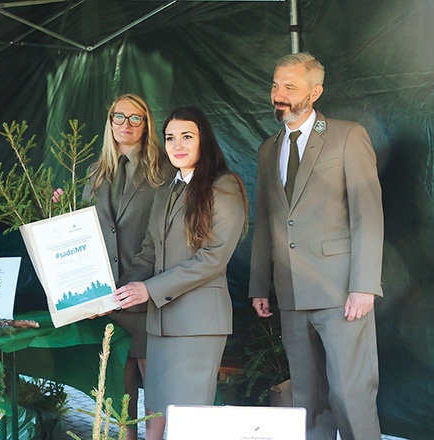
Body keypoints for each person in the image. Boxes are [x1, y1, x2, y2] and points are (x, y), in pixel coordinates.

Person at [249, 52, 383, 440]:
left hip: (342, 292)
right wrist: (259, 284)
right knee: (306, 399)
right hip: (290, 292)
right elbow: (267, 220)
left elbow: (367, 214)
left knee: (350, 394)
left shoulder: (347, 135)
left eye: (290, 87)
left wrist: (364, 285)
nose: (279, 94)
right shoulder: (266, 149)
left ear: (316, 91)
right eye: (275, 85)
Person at [114, 106, 248, 440]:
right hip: (159, 325)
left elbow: (213, 258)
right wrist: (115, 291)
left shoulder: (224, 186)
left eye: (187, 137)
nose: (178, 145)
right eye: (171, 137)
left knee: (189, 423)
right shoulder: (164, 191)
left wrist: (148, 290)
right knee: (158, 411)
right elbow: (148, 253)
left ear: (204, 140)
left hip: (197, 325)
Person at [80, 93, 173, 440]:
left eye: (136, 118)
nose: (126, 125)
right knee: (121, 378)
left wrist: (143, 285)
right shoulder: (94, 172)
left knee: (154, 377)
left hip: (144, 288)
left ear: (147, 124)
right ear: (110, 122)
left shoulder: (164, 171)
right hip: (107, 293)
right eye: (119, 117)